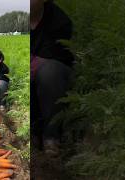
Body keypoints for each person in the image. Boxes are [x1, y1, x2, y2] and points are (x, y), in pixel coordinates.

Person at [31, 0, 75, 156]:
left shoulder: (59, 21)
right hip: (32, 67)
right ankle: (33, 132)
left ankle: (51, 135)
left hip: (54, 74)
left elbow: (49, 58)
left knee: (50, 72)